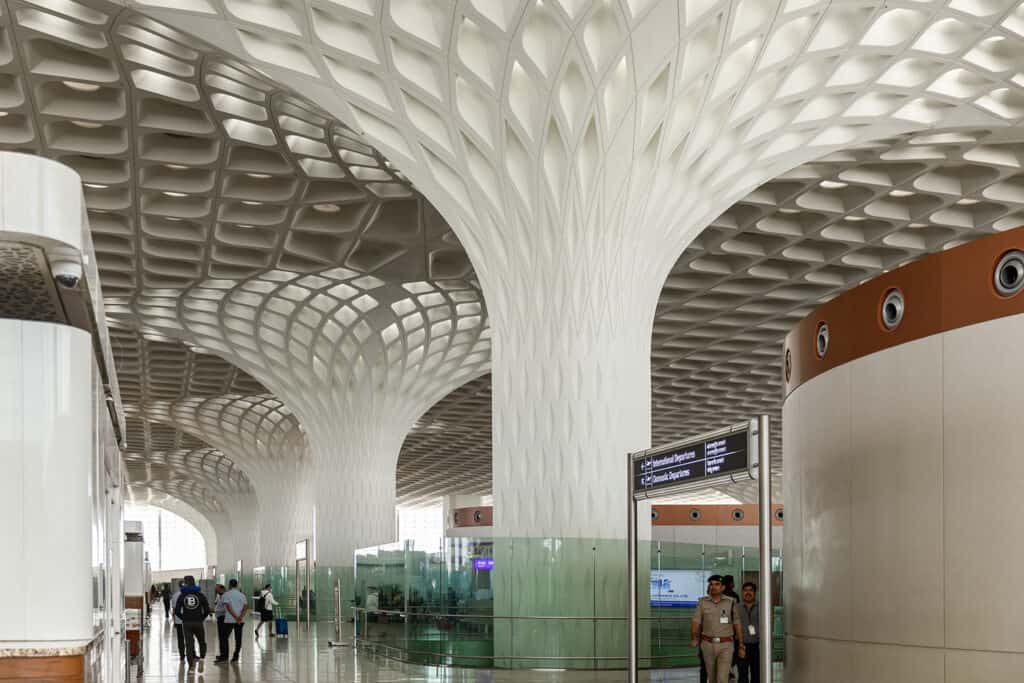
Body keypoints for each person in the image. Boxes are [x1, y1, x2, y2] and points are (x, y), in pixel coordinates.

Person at [690, 575, 745, 683]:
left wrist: (741, 644)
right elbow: (696, 622)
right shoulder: (702, 602)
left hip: (726, 645)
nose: (713, 586)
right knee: (712, 678)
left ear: (723, 587)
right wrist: (694, 638)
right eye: (711, 584)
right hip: (707, 645)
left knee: (722, 678)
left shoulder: (731, 602)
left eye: (717, 584)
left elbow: (737, 623)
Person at [174, 575, 211, 673]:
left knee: (189, 645)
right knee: (202, 641)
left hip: (187, 623)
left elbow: (177, 611)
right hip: (198, 622)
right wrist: (201, 618)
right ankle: (202, 658)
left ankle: (191, 667)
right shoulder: (200, 595)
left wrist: (184, 618)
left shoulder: (182, 596)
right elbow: (207, 610)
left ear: (185, 583)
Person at [220, 579, 249, 663]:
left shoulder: (226, 594)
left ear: (229, 585)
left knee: (224, 638)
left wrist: (235, 617)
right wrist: (240, 617)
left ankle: (225, 656)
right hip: (239, 621)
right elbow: (246, 607)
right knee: (238, 639)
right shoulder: (242, 595)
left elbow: (228, 607)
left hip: (229, 620)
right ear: (237, 585)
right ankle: (236, 656)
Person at [737, 582, 761, 683]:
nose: (748, 592)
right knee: (742, 676)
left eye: (750, 590)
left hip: (757, 646)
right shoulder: (736, 608)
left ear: (755, 593)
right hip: (742, 646)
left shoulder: (762, 607)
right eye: (745, 590)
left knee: (757, 675)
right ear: (742, 593)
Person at [171, 581, 188, 661]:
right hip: (188, 620)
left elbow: (173, 610)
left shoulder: (175, 595)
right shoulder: (189, 594)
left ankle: (182, 655)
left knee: (180, 638)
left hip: (178, 620)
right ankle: (191, 654)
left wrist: (174, 621)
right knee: (189, 638)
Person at [212, 585, 228, 663]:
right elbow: (217, 605)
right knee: (221, 637)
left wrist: (216, 611)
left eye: (217, 589)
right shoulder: (220, 596)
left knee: (223, 637)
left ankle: (224, 656)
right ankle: (223, 654)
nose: (216, 591)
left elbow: (226, 609)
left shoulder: (225, 596)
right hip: (220, 618)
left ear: (222, 589)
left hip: (223, 618)